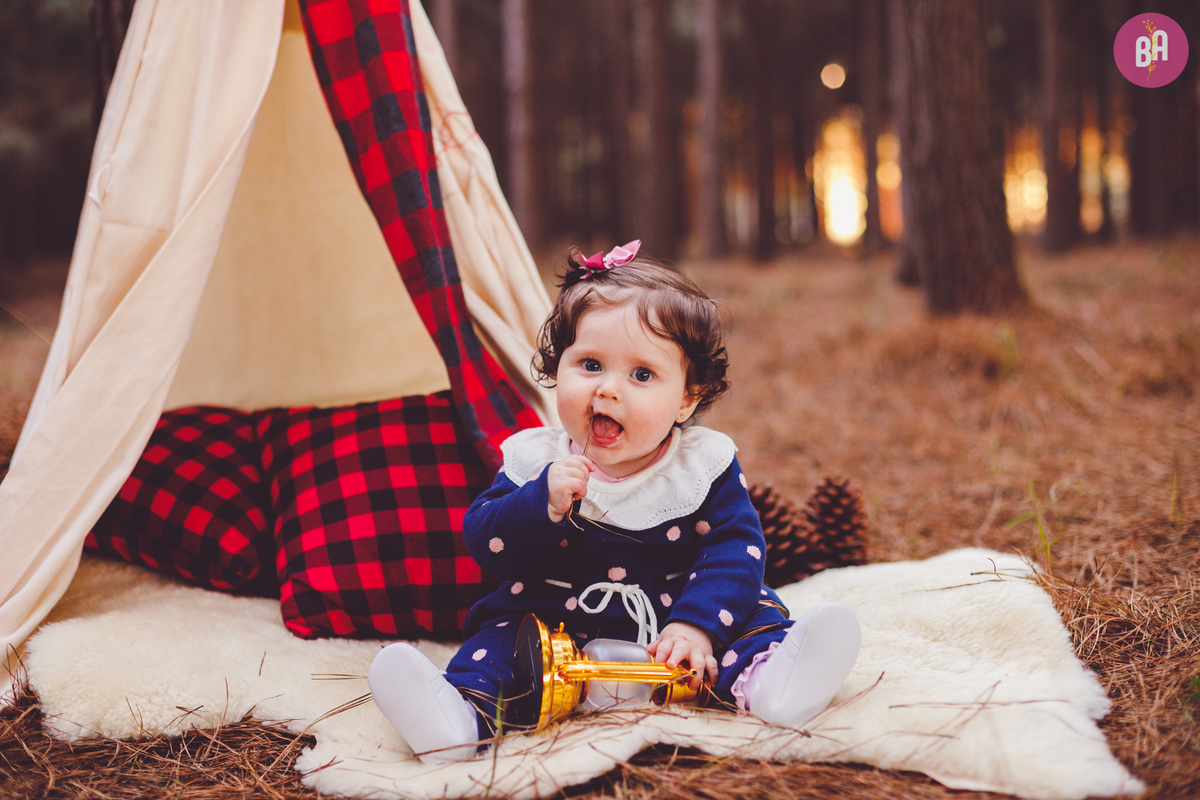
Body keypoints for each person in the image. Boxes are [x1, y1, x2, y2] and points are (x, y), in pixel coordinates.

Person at [368, 241, 861, 764]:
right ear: (558, 369)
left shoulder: (701, 466)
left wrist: (695, 626)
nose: (607, 390)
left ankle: (773, 683)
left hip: (675, 619)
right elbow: (487, 543)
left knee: (751, 610)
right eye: (590, 364)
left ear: (688, 397)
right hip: (553, 624)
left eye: (641, 375)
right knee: (498, 644)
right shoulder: (537, 460)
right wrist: (543, 503)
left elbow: (734, 549)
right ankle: (457, 720)